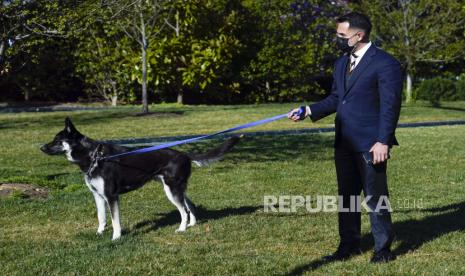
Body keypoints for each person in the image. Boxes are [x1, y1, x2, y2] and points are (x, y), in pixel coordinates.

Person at [288, 12, 402, 263]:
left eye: (342, 35)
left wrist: (383, 140)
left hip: (372, 143)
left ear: (358, 35)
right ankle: (349, 245)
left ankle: (382, 248)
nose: (337, 39)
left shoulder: (386, 63)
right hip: (344, 142)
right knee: (347, 197)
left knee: (376, 198)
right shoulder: (341, 63)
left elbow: (390, 106)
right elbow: (337, 98)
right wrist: (308, 111)